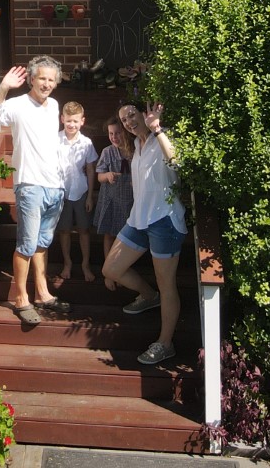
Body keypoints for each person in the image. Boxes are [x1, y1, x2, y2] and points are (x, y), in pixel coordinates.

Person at [101, 102, 186, 365]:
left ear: (143, 114)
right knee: (111, 269)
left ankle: (165, 343)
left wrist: (157, 129)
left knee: (167, 284)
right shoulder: (137, 146)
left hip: (164, 221)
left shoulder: (161, 137)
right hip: (138, 219)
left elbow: (177, 162)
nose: (128, 121)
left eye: (131, 115)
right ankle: (149, 297)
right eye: (123, 119)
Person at [0, 58, 71, 326]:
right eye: (42, 78)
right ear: (32, 79)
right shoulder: (17, 105)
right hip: (30, 184)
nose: (46, 83)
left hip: (54, 185)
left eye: (51, 79)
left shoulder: (55, 106)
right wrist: (3, 87)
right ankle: (22, 298)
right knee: (26, 244)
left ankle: (43, 293)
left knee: (42, 243)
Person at [52, 101, 98, 286]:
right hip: (61, 192)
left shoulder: (86, 143)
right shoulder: (55, 139)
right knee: (63, 230)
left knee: (84, 230)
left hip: (80, 191)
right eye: (68, 120)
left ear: (82, 121)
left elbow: (90, 169)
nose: (72, 125)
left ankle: (85, 264)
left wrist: (89, 196)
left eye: (75, 121)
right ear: (62, 119)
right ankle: (67, 263)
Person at [91, 111, 135, 291]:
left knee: (126, 238)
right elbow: (99, 176)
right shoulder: (107, 152)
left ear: (125, 132)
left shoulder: (134, 149)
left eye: (117, 133)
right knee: (109, 234)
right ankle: (108, 273)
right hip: (111, 199)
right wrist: (107, 175)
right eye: (110, 134)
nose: (114, 137)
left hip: (130, 200)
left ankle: (123, 269)